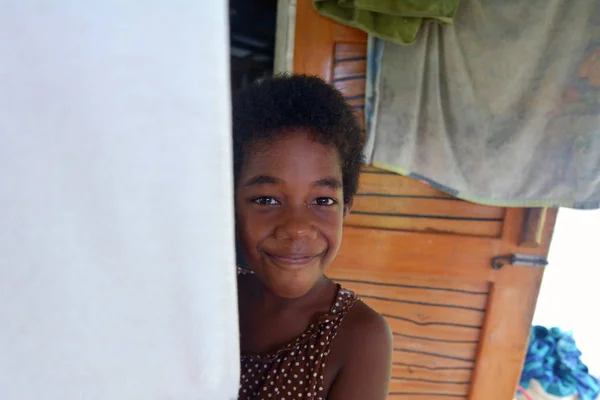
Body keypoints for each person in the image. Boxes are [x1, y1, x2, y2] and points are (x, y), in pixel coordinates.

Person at [232, 74, 393, 400]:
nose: (297, 227)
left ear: (345, 207)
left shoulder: (359, 336)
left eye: (322, 201)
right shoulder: (212, 295)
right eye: (267, 200)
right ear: (230, 204)